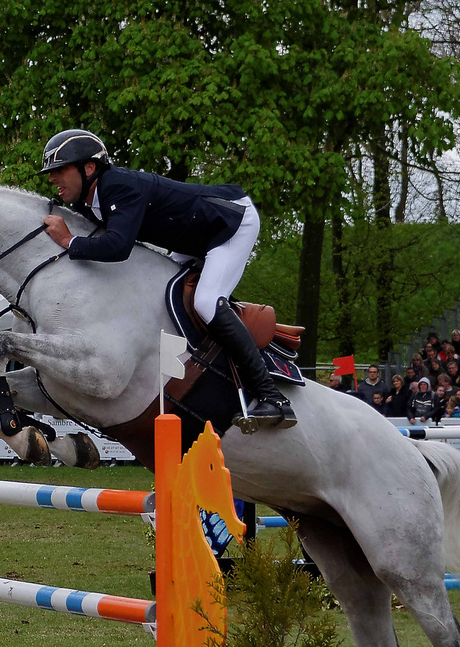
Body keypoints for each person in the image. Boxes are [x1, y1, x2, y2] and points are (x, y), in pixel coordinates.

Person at [38, 129, 293, 430]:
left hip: (228, 225)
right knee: (158, 295)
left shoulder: (118, 186)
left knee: (207, 302)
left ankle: (273, 397)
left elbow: (118, 247)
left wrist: (69, 241)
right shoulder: (89, 201)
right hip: (192, 240)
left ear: (89, 168)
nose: (52, 178)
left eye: (59, 170)